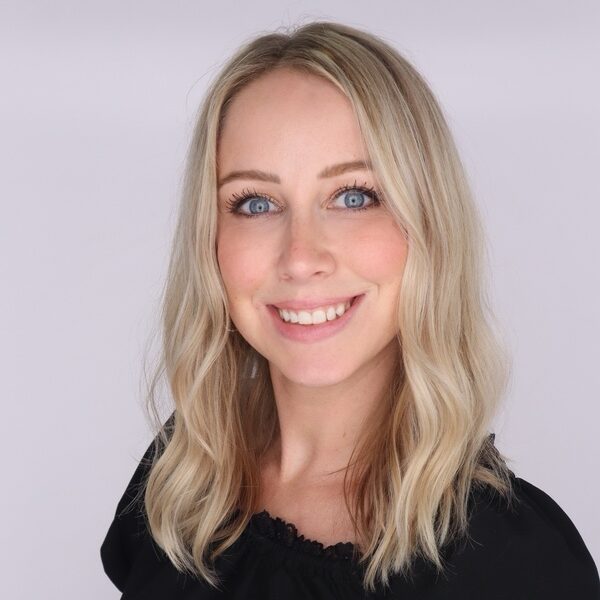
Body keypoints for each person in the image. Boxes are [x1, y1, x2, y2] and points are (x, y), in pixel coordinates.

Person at [100, 21, 600, 599]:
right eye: (256, 202)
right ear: (209, 240)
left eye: (354, 196)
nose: (301, 256)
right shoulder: (181, 482)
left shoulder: (521, 562)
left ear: (428, 226)